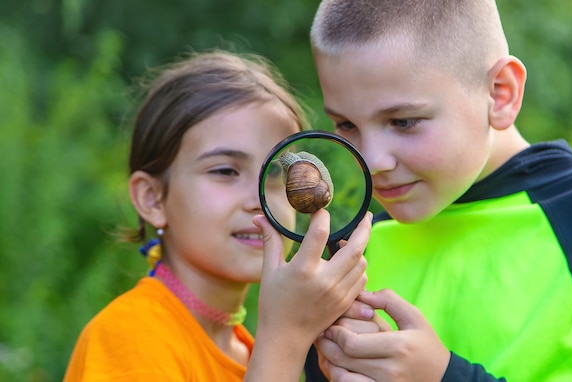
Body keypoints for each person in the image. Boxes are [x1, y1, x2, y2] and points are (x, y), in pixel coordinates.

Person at [304, 0, 572, 381]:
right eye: (345, 124)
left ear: (500, 94)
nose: (371, 161)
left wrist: (442, 376)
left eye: (403, 121)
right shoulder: (354, 247)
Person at [63, 50, 372, 382]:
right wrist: (287, 337)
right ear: (152, 198)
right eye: (225, 171)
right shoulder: (128, 339)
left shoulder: (253, 353)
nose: (258, 201)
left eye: (275, 175)